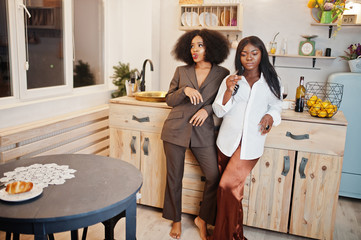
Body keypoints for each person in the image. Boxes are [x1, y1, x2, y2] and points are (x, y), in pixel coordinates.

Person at [210, 36, 283, 240]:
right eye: (243, 54)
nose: (248, 58)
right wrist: (227, 90)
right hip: (226, 143)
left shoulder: (272, 81)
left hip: (251, 144)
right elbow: (218, 110)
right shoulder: (232, 80)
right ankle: (235, 234)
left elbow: (277, 106)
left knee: (227, 187)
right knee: (232, 195)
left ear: (262, 55)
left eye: (254, 53)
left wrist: (271, 116)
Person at [161, 29, 230, 240]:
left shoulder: (222, 74)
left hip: (203, 131)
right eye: (192, 46)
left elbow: (221, 102)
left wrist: (206, 109)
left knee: (213, 177)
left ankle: (203, 218)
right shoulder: (181, 71)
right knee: (174, 177)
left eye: (200, 45)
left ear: (211, 47)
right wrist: (184, 91)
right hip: (175, 130)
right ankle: (176, 220)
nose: (195, 50)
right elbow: (169, 99)